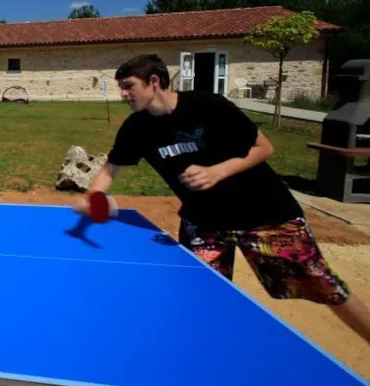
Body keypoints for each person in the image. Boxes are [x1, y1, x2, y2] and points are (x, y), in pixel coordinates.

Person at [76, 53, 370, 345]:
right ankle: (208, 357)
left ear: (154, 81)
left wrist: (217, 172)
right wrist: (92, 197)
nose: (123, 93)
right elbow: (110, 169)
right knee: (198, 297)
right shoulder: (136, 128)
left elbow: (264, 148)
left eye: (128, 86)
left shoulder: (208, 106)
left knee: (326, 287)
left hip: (266, 216)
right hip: (204, 225)